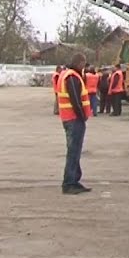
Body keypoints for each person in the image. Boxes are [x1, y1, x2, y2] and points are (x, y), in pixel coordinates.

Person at [56, 54, 92, 195]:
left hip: (69, 118)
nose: (84, 66)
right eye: (83, 63)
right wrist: (82, 116)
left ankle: (74, 180)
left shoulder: (67, 75)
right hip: (74, 119)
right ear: (79, 63)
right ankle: (69, 183)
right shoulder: (72, 77)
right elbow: (75, 100)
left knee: (74, 151)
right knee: (73, 152)